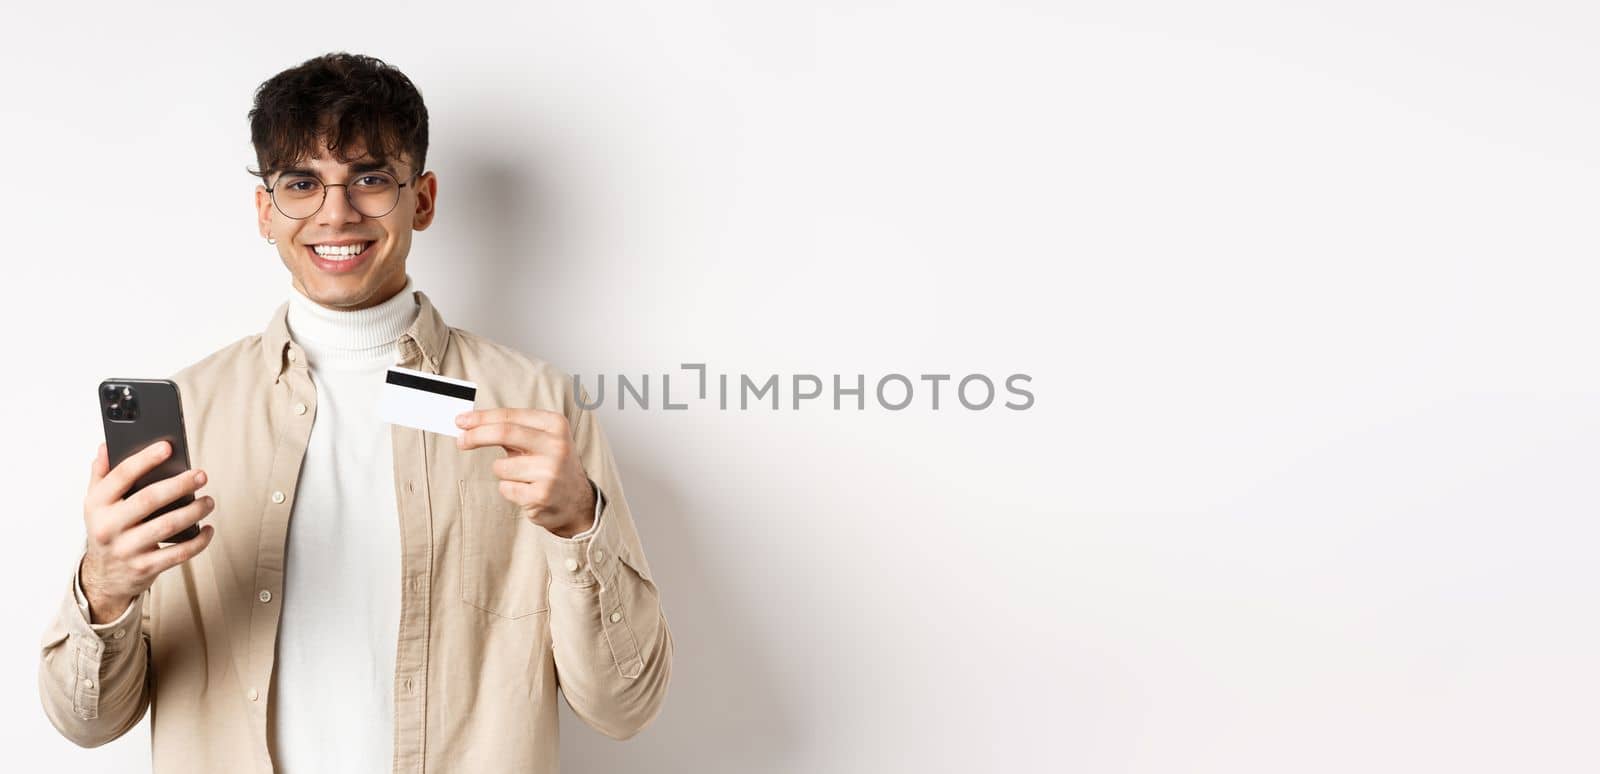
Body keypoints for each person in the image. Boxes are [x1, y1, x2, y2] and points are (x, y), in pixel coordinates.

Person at [37, 52, 673, 773]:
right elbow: (86, 724)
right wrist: (107, 585)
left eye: (370, 179)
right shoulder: (188, 414)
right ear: (265, 212)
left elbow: (626, 706)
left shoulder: (533, 408)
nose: (335, 213)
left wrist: (578, 524)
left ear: (422, 200)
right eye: (302, 184)